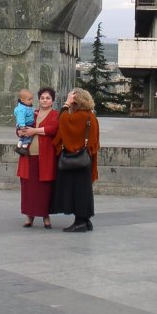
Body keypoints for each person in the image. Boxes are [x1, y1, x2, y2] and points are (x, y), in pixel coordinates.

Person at [52, 88, 100, 232]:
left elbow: (63, 121)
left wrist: (66, 104)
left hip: (76, 159)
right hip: (86, 158)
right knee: (84, 190)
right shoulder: (91, 116)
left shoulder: (79, 116)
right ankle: (85, 220)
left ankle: (79, 222)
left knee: (77, 190)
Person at [17, 87, 59, 228]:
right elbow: (20, 126)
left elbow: (53, 129)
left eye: (48, 98)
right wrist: (20, 131)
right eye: (42, 98)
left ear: (52, 100)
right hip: (29, 157)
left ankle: (46, 217)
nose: (45, 100)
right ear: (39, 99)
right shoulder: (31, 113)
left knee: (44, 189)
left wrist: (34, 131)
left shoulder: (55, 114)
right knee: (28, 188)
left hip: (45, 158)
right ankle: (29, 216)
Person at [14, 89, 36, 156]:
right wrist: (22, 125)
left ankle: (18, 147)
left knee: (23, 137)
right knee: (27, 136)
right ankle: (24, 148)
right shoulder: (22, 109)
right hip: (25, 124)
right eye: (29, 100)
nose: (31, 101)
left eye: (32, 99)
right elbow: (20, 118)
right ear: (22, 100)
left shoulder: (26, 106)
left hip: (25, 124)